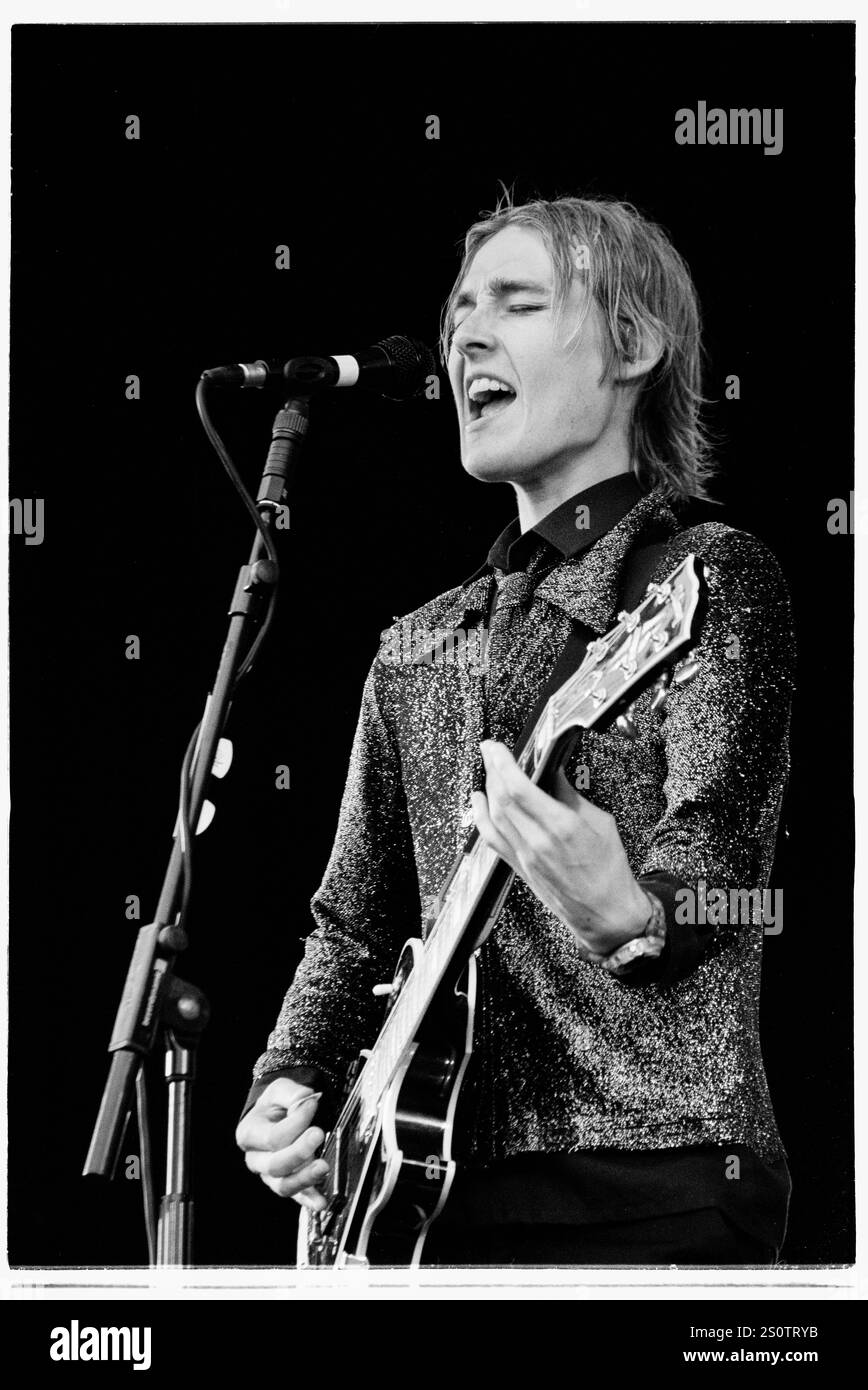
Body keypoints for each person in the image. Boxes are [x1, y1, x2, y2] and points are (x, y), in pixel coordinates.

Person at [235, 194, 795, 1266]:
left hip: (651, 1185)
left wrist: (638, 910)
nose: (465, 337)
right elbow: (348, 927)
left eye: (516, 303)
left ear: (632, 343)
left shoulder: (705, 576)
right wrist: (290, 1083)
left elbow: (737, 871)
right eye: (457, 317)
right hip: (424, 1207)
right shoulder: (417, 641)